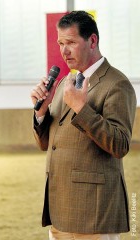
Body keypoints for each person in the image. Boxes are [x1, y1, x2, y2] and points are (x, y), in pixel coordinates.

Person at [30, 11, 136, 239]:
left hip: (94, 212)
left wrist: (81, 109)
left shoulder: (117, 84)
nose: (64, 50)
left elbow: (120, 145)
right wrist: (41, 113)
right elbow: (47, 143)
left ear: (92, 41)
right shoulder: (64, 83)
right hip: (59, 209)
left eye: (70, 42)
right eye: (60, 43)